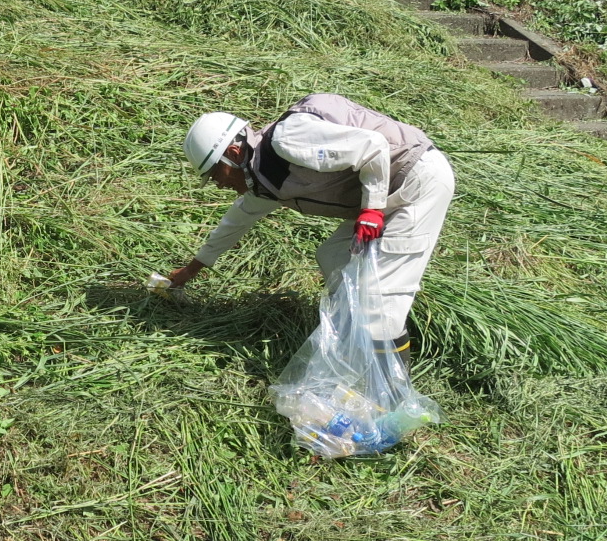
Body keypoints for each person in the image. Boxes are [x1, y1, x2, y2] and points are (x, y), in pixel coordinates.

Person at [167, 94, 454, 372]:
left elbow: (373, 145)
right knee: (332, 255)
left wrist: (373, 210)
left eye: (215, 174)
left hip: (415, 182)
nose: (218, 184)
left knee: (380, 304)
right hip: (385, 191)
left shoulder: (287, 141)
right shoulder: (263, 174)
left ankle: (390, 396)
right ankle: (353, 345)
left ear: (232, 153)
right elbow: (236, 220)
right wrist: (191, 271)